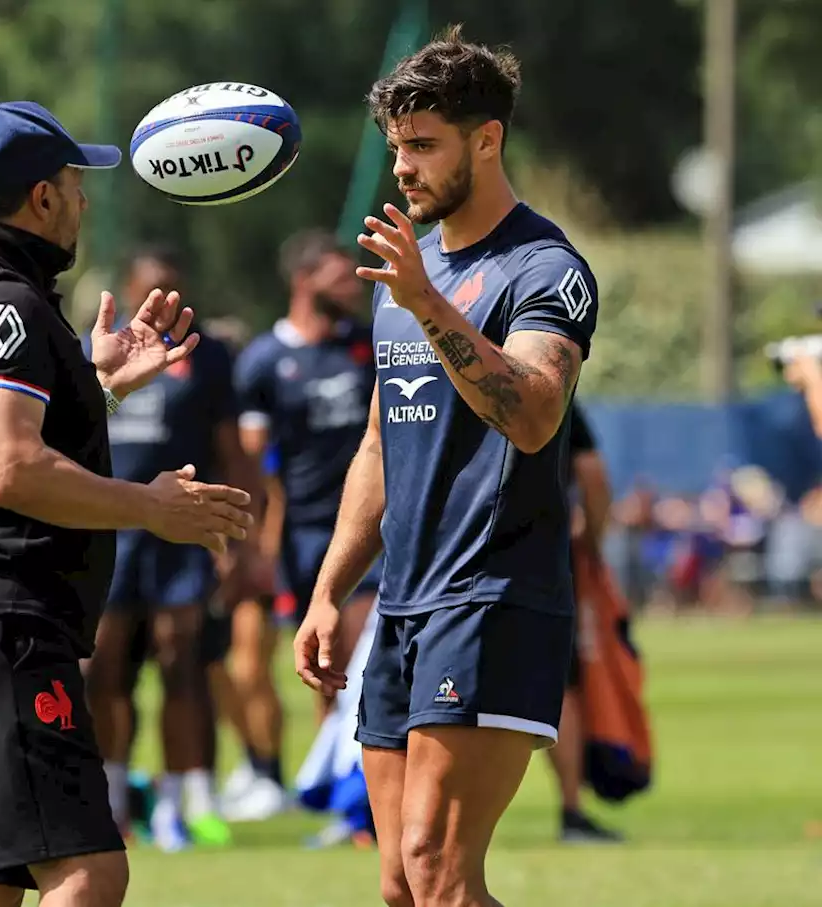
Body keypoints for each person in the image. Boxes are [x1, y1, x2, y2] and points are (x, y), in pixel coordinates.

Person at [0, 100, 254, 907]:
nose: (84, 200)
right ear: (42, 198)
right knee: (88, 870)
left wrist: (98, 388)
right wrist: (151, 505)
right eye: (73, 182)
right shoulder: (2, 306)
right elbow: (8, 469)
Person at [294, 27, 600, 907]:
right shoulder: (411, 273)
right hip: (401, 601)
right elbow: (381, 445)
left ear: (486, 139)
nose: (403, 168)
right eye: (397, 148)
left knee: (438, 871)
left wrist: (426, 304)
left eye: (423, 145)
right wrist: (329, 590)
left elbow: (536, 415)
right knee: (401, 884)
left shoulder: (543, 267)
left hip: (495, 595)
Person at [83, 245, 262, 852]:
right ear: (132, 288)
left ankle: (183, 803)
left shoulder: (207, 357)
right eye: (151, 288)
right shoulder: (100, 349)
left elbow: (234, 450)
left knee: (179, 658)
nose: (163, 299)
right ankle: (111, 802)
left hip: (183, 530)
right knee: (105, 666)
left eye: (172, 288)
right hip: (113, 526)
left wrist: (243, 539)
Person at [229, 228, 382, 814]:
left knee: (367, 653)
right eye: (338, 274)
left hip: (371, 528)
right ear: (304, 280)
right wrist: (260, 547)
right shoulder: (265, 362)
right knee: (326, 667)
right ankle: (335, 793)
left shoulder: (365, 346)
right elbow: (255, 468)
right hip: (303, 535)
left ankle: (359, 793)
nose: (350, 283)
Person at [550, 401, 621, 842]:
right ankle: (572, 809)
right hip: (543, 560)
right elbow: (593, 475)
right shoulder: (550, 382)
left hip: (443, 558)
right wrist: (592, 543)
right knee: (558, 685)